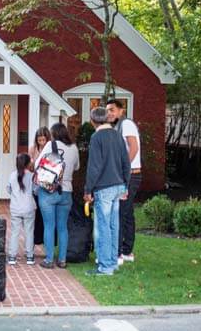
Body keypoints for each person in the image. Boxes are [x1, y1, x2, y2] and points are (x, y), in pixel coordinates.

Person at [83, 107, 130, 276]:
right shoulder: (117, 135)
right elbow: (126, 162)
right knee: (113, 226)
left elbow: (94, 166)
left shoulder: (96, 137)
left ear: (93, 121)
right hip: (118, 185)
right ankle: (112, 262)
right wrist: (125, 185)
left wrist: (88, 189)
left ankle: (104, 267)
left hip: (104, 187)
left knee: (103, 227)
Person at [34, 123, 80, 269]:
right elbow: (77, 166)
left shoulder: (49, 145)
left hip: (49, 190)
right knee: (62, 227)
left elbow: (37, 165)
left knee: (49, 225)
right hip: (66, 191)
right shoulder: (73, 147)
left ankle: (48, 260)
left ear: (53, 134)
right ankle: (62, 259)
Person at [107, 99, 142, 264]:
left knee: (121, 212)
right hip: (130, 174)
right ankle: (128, 251)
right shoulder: (118, 126)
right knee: (127, 214)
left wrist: (123, 170)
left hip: (130, 175)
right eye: (107, 110)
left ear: (122, 110)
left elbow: (133, 147)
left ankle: (118, 253)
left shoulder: (126, 124)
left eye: (112, 110)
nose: (109, 113)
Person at [7, 153, 36, 266]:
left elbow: (9, 189)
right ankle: (29, 256)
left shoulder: (12, 175)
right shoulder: (32, 176)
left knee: (15, 232)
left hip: (15, 207)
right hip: (29, 207)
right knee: (29, 231)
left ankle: (12, 256)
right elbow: (35, 190)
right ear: (28, 164)